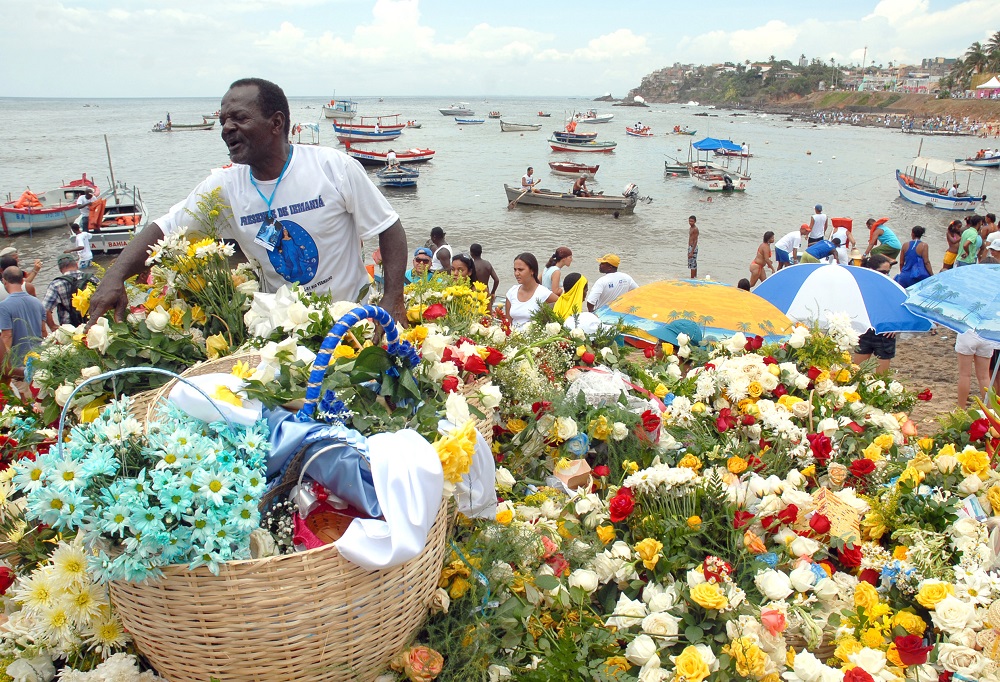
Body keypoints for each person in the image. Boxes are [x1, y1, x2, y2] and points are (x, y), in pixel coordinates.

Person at [86, 78, 409, 327]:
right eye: (223, 120)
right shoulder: (224, 186)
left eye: (238, 118)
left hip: (350, 320)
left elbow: (388, 226)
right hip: (281, 331)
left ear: (276, 123)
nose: (226, 128)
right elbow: (164, 229)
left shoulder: (332, 168)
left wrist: (393, 298)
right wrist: (114, 276)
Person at [0, 267, 46, 381]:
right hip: (39, 360)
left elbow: (7, 336)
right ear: (22, 281)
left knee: (24, 397)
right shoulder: (37, 302)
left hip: (19, 366)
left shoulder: (4, 306)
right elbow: (43, 331)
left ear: (4, 281)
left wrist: (4, 365)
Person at [853, 255, 897, 373]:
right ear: (871, 270)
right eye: (883, 272)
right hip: (865, 331)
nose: (886, 275)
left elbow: (900, 307)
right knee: (856, 374)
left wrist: (896, 326)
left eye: (888, 272)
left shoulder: (891, 286)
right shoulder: (860, 286)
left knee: (881, 379)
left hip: (884, 334)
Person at [42, 255, 100, 328]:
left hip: (70, 331)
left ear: (60, 269)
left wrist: (52, 326)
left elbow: (45, 309)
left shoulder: (56, 284)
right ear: (76, 264)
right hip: (94, 327)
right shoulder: (92, 278)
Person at [504, 253, 558, 329]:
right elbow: (508, 323)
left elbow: (562, 305)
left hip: (535, 339)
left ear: (532, 271)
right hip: (513, 338)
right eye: (515, 270)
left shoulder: (543, 293)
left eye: (520, 270)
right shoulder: (511, 292)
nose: (516, 273)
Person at [955, 329, 1000, 408]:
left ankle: (960, 409)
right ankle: (990, 409)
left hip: (968, 332)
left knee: (964, 375)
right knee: (984, 377)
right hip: (986, 335)